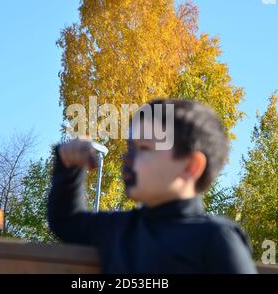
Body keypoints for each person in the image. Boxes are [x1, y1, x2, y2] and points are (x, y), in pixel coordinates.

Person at [48, 99, 257, 274]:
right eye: (130, 147)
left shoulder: (216, 239)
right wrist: (68, 165)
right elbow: (66, 221)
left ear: (191, 166)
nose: (127, 158)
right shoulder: (119, 229)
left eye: (144, 148)